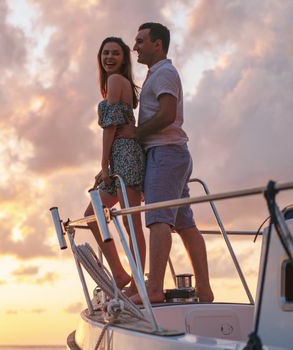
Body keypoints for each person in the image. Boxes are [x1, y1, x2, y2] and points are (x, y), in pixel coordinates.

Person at [117, 22, 214, 303]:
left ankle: (154, 289)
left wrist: (135, 133)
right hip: (173, 154)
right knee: (185, 225)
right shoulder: (156, 74)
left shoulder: (164, 73)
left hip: (166, 154)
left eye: (140, 41)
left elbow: (168, 114)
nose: (134, 46)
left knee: (158, 220)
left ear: (157, 44)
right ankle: (205, 292)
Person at [84, 37, 146, 294]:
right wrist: (107, 165)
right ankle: (120, 275)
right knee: (92, 215)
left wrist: (103, 163)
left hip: (126, 155)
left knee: (133, 222)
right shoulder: (120, 83)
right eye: (105, 53)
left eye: (115, 54)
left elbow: (110, 126)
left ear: (123, 59)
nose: (109, 57)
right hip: (118, 155)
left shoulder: (115, 81)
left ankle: (138, 281)